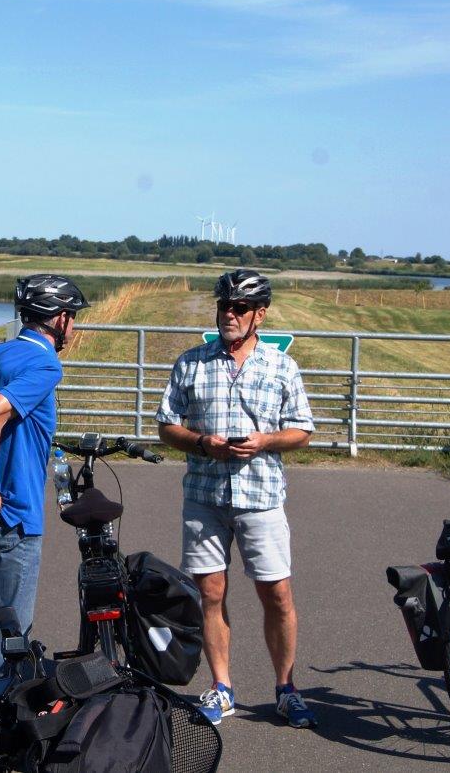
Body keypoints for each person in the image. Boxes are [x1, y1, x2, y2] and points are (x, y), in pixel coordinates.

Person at [155, 270, 318, 729]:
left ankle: (286, 689)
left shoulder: (281, 366)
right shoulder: (191, 363)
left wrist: (265, 441)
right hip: (204, 497)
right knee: (210, 593)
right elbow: (166, 426)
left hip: (261, 496)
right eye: (223, 306)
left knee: (277, 595)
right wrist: (201, 442)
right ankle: (222, 687)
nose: (228, 314)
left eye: (239, 308)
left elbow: (302, 430)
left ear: (259, 315)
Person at [0, 274, 89, 763]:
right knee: (6, 642)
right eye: (73, 318)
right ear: (60, 319)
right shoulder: (45, 363)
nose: (74, 327)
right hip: (12, 514)